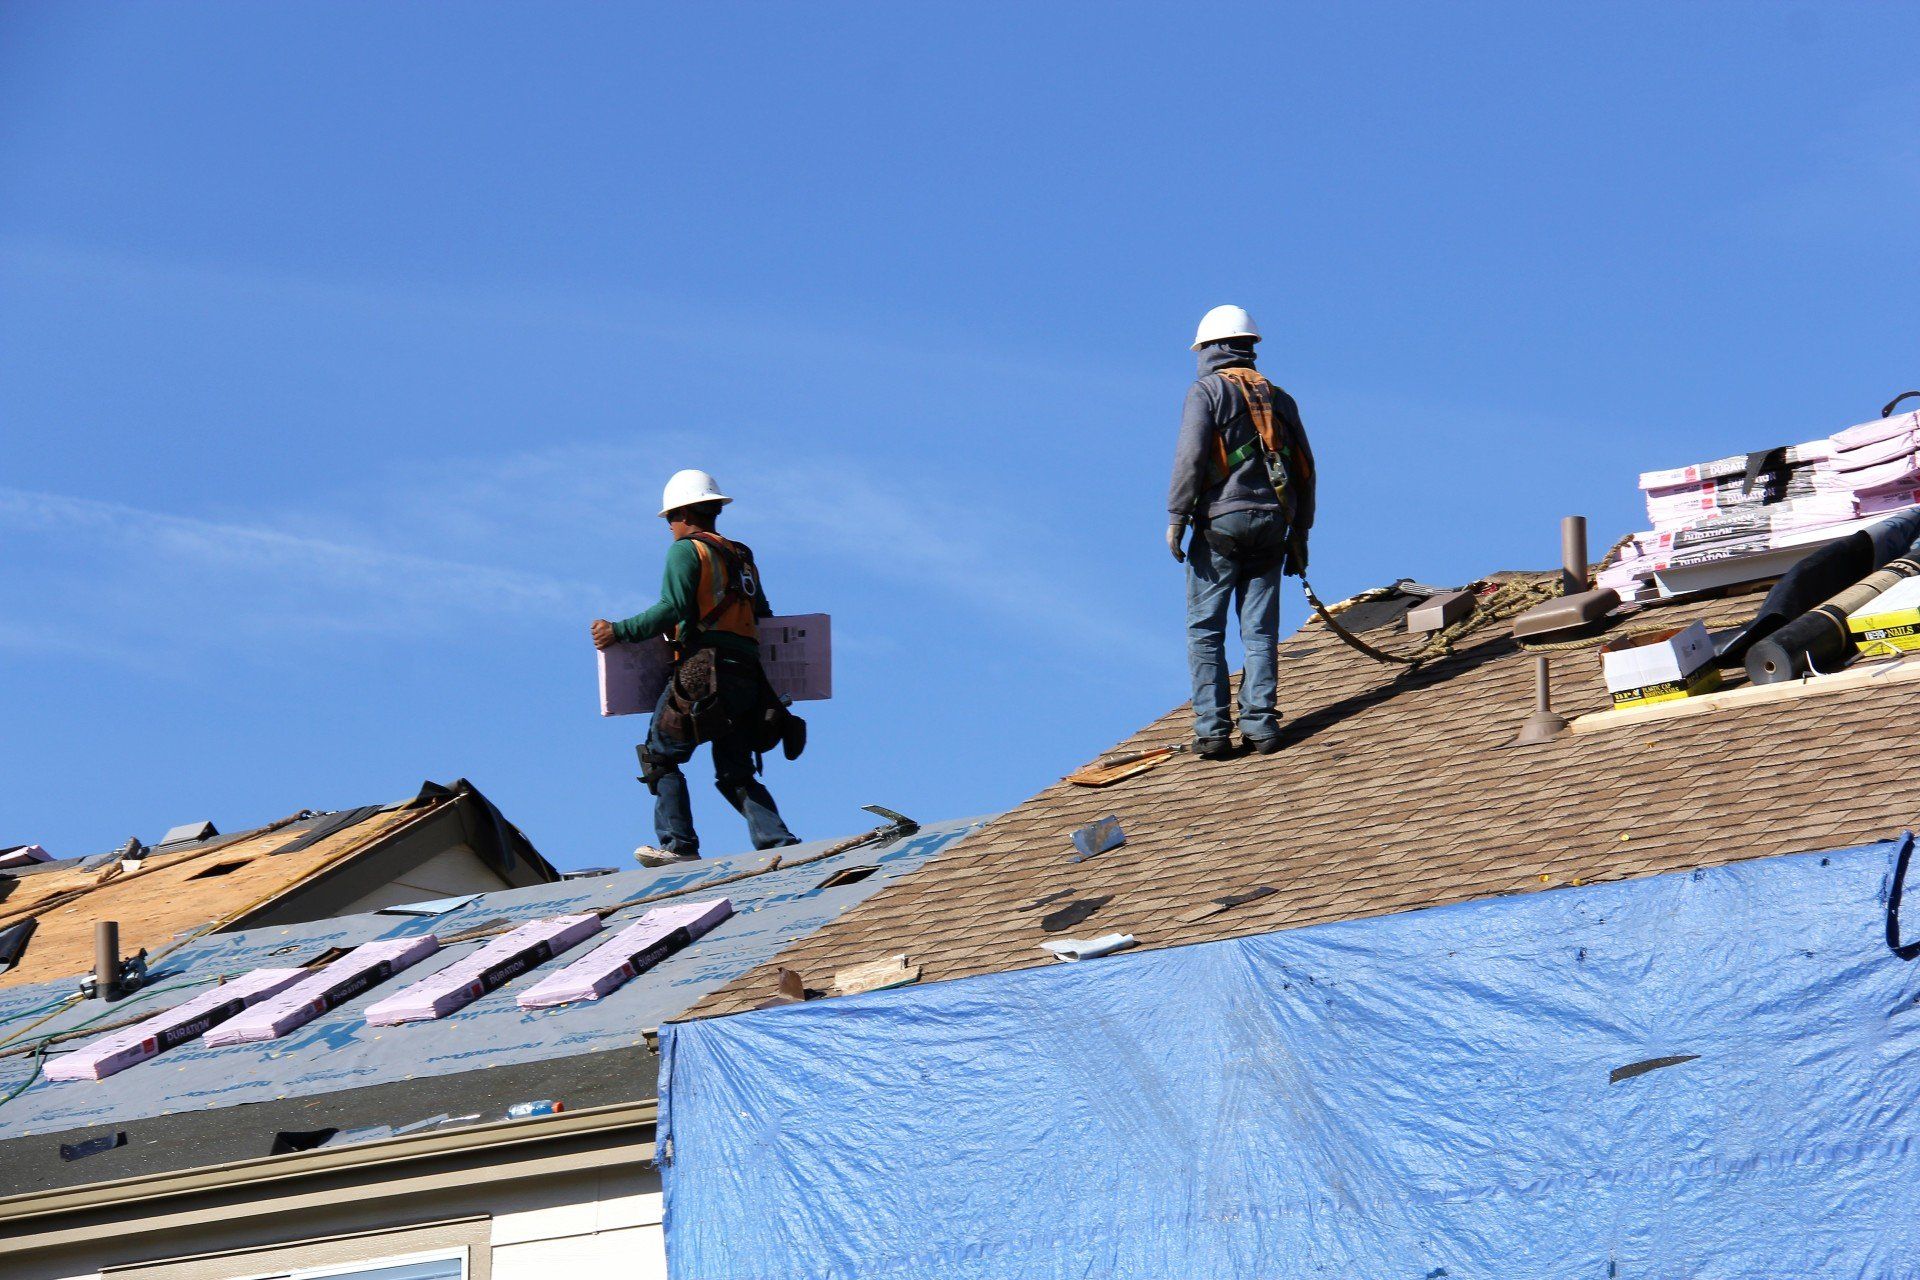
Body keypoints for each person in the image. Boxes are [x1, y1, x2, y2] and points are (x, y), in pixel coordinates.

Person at [591, 469, 802, 864]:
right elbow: (763, 615)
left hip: (704, 671)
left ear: (684, 513)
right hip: (747, 676)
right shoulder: (741, 555)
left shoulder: (686, 551)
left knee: (660, 755)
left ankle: (678, 845)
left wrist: (618, 631)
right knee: (735, 769)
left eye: (670, 518)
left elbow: (672, 607)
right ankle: (777, 842)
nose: (668, 527)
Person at [1166, 305, 1317, 760]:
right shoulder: (1280, 397)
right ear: (1249, 347)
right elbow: (1306, 470)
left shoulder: (1206, 392)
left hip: (1221, 525)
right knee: (1259, 632)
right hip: (1274, 525)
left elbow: (1191, 459)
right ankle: (1261, 727)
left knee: (1205, 632)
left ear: (1210, 348)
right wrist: (1301, 535)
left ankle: (1213, 732)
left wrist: (1176, 517)